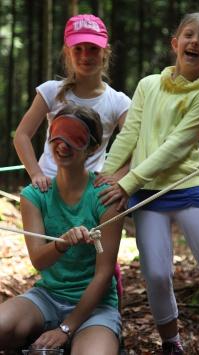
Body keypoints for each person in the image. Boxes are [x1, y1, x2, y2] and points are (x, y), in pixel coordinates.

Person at [95, 12, 199, 355]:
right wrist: (106, 173)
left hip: (188, 187)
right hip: (148, 194)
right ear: (175, 44)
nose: (195, 41)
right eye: (189, 35)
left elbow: (175, 147)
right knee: (158, 275)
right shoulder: (148, 84)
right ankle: (171, 343)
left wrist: (127, 182)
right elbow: (129, 134)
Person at [13, 13, 130, 316]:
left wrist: (120, 179)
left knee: (93, 251)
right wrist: (36, 172)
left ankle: (103, 298)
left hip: (91, 191)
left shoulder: (117, 101)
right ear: (67, 52)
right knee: (54, 250)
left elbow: (138, 147)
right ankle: (47, 306)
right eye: (78, 49)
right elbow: (22, 135)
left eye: (93, 49)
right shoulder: (52, 90)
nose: (85, 56)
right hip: (51, 186)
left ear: (105, 52)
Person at [0, 104, 124, 354]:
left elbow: (103, 274)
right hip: (46, 298)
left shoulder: (106, 197)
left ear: (92, 146)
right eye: (58, 135)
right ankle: (37, 339)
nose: (63, 145)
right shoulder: (34, 196)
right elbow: (38, 260)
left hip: (96, 307)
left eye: (74, 137)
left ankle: (71, 339)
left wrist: (66, 328)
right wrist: (61, 243)